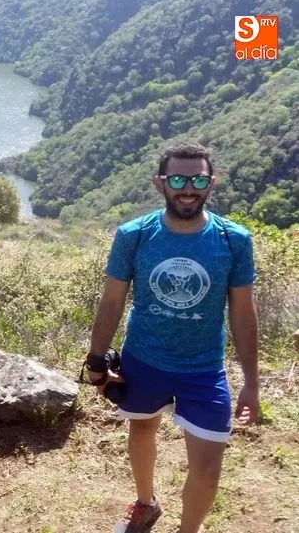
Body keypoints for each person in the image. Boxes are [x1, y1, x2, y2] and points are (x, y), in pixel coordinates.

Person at [85, 142, 259, 533]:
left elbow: (244, 313)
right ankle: (145, 504)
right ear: (159, 183)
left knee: (209, 472)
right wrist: (97, 359)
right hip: (144, 358)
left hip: (204, 369)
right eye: (178, 178)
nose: (188, 188)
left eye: (198, 179)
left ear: (211, 183)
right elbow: (112, 300)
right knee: (143, 427)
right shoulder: (135, 235)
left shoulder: (234, 240)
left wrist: (251, 382)